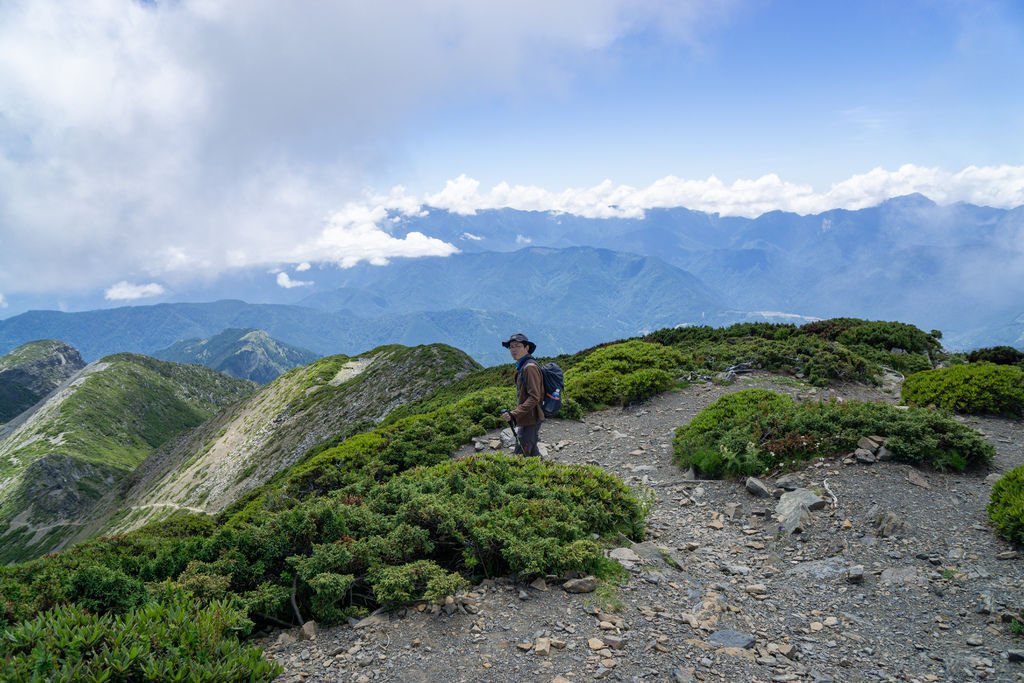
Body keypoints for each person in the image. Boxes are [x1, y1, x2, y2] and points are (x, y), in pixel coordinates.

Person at [501, 332, 544, 457]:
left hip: (531, 418)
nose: (513, 350)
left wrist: (514, 413)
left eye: (517, 346)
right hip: (527, 418)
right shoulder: (522, 366)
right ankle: (552, 474)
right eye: (511, 347)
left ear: (527, 348)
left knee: (520, 455)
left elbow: (534, 397)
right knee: (532, 452)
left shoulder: (529, 367)